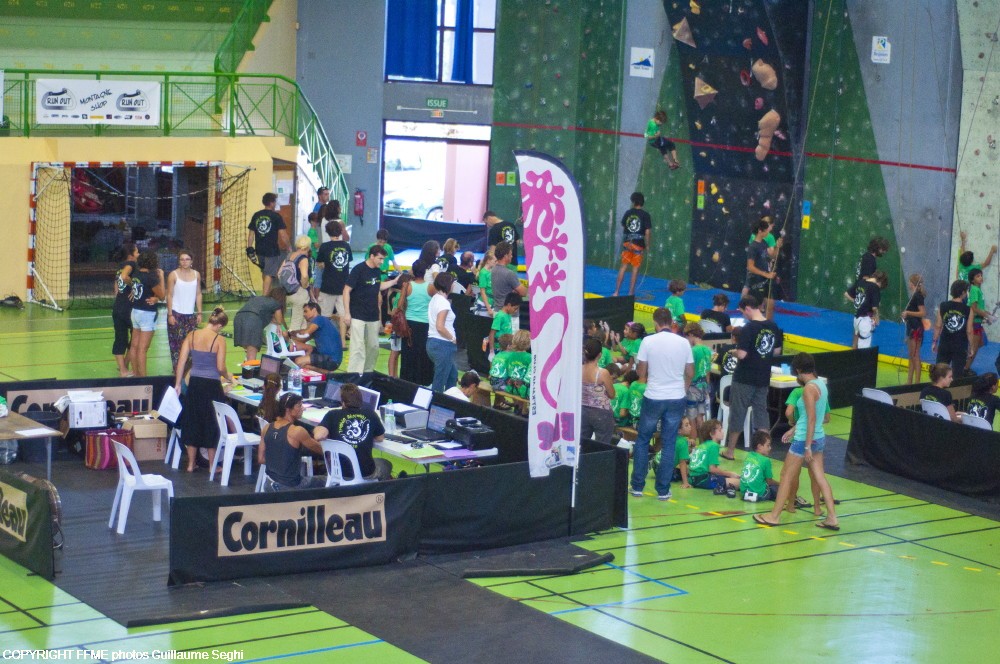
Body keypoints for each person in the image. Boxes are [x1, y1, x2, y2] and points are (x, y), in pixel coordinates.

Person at [754, 353, 839, 530]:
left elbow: (811, 419)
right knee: (820, 477)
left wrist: (807, 446)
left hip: (804, 440)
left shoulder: (808, 389)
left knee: (786, 475)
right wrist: (793, 429)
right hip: (819, 437)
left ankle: (774, 516)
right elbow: (814, 417)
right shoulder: (821, 385)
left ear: (799, 370)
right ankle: (832, 517)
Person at [629, 307, 694, 500]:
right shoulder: (683, 342)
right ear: (672, 322)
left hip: (654, 396)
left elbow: (641, 373)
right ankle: (663, 490)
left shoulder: (648, 341)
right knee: (669, 442)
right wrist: (683, 389)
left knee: (643, 440)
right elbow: (690, 372)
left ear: (655, 322)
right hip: (676, 397)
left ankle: (637, 486)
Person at [174, 307, 233, 473]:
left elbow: (181, 362)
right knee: (211, 423)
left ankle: (191, 464)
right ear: (219, 325)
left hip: (195, 384)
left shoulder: (192, 335)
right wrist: (228, 376)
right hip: (211, 385)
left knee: (193, 421)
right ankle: (212, 465)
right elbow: (220, 367)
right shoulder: (219, 340)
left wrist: (177, 384)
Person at [725, 295, 782, 460]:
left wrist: (734, 352)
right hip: (763, 377)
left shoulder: (748, 328)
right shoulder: (773, 325)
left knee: (738, 412)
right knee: (761, 413)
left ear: (748, 308)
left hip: (744, 377)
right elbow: (776, 351)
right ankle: (764, 451)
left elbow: (742, 354)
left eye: (743, 312)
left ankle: (730, 451)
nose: (743, 315)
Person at [314, 383, 393, 481]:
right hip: (365, 472)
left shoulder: (332, 415)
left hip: (338, 471)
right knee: (386, 464)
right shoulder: (370, 414)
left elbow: (318, 436)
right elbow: (380, 438)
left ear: (343, 402)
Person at [343, 245, 400, 373]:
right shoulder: (358, 269)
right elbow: (346, 290)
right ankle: (354, 374)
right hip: (358, 314)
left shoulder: (377, 270)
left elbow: (377, 285)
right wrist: (347, 313)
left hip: (372, 315)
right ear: (372, 256)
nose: (382, 262)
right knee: (357, 347)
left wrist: (394, 282)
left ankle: (367, 372)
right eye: (380, 259)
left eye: (383, 259)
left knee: (373, 347)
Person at [258, 393, 326, 492]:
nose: (303, 408)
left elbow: (261, 459)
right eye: (299, 405)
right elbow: (323, 450)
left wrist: (279, 463)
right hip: (289, 487)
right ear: (288, 409)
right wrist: (318, 431)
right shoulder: (297, 431)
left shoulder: (266, 428)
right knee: (327, 481)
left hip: (268, 485)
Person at [398, 259, 435, 386]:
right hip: (425, 324)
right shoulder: (430, 287)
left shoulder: (408, 286)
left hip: (409, 324)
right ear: (425, 272)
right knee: (423, 353)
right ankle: (423, 380)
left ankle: (407, 380)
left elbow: (400, 305)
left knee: (408, 354)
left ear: (413, 272)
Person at [128, 251, 165, 377]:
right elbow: (162, 295)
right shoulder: (151, 277)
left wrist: (155, 298)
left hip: (135, 311)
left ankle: (136, 374)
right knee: (143, 349)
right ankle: (143, 378)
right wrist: (161, 277)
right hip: (147, 314)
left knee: (134, 346)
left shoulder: (136, 274)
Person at [166, 249, 203, 371]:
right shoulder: (173, 275)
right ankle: (177, 370)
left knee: (191, 344)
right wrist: (170, 314)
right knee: (176, 345)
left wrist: (199, 312)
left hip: (190, 315)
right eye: (182, 259)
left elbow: (198, 293)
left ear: (191, 261)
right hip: (176, 314)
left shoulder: (196, 275)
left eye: (187, 259)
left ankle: (188, 370)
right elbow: (169, 295)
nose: (184, 262)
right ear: (179, 261)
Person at [316, 219, 352, 345]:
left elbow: (320, 264)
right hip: (343, 286)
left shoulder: (324, 247)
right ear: (340, 231)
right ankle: (342, 341)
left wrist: (325, 264)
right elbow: (347, 262)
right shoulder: (346, 246)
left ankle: (324, 340)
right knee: (343, 315)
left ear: (327, 232)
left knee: (324, 315)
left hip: (328, 286)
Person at [246, 192, 290, 295]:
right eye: (275, 201)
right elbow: (283, 235)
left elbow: (251, 234)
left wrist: (249, 248)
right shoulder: (276, 216)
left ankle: (267, 293)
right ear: (271, 203)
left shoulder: (256, 215)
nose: (275, 203)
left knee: (265, 272)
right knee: (269, 274)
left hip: (259, 249)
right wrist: (289, 246)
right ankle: (264, 297)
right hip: (271, 250)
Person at [612, 192, 652, 297]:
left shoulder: (628, 212)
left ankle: (616, 292)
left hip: (627, 243)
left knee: (623, 267)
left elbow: (623, 224)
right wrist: (647, 245)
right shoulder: (645, 215)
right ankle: (630, 293)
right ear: (642, 202)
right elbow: (647, 232)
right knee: (635, 269)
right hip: (638, 244)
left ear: (633, 202)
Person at [933, 280, 974, 379]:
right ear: (963, 293)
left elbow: (938, 326)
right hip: (960, 345)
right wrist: (971, 347)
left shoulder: (943, 306)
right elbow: (969, 331)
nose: (966, 294)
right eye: (966, 291)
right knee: (957, 374)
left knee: (940, 372)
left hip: (945, 343)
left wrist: (934, 342)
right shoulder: (968, 310)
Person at [427, 272, 459, 393]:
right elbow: (440, 327)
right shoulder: (443, 303)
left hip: (434, 343)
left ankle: (451, 398)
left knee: (452, 375)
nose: (454, 285)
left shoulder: (435, 298)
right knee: (439, 381)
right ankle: (437, 402)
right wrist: (452, 338)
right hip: (443, 344)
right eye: (453, 283)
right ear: (448, 285)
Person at [580, 337, 616, 445]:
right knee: (602, 446)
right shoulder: (602, 373)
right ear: (599, 355)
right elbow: (612, 394)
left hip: (582, 410)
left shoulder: (578, 369)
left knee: (582, 444)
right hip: (601, 412)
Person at [687, 419, 740, 492]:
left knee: (726, 476)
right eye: (720, 430)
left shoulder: (702, 445)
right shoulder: (713, 446)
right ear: (711, 434)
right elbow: (712, 469)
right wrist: (730, 474)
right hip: (702, 479)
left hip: (691, 478)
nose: (722, 432)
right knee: (739, 483)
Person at [725, 430, 779, 501]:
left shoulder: (749, 455)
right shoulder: (766, 460)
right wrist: (779, 483)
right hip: (758, 494)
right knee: (776, 489)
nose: (770, 448)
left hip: (744, 493)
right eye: (768, 445)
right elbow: (769, 481)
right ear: (759, 446)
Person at [290, 301, 342, 372]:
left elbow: (305, 333)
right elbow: (301, 340)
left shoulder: (319, 319)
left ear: (314, 310)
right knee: (298, 351)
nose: (303, 314)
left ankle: (326, 372)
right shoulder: (317, 325)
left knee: (299, 361)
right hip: (326, 356)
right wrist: (288, 336)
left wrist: (292, 333)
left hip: (331, 359)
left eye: (306, 311)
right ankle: (315, 369)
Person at [112, 242, 139, 377]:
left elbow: (116, 289)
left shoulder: (119, 267)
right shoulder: (131, 264)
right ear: (131, 255)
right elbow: (124, 277)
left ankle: (123, 369)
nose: (138, 254)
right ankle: (125, 367)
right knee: (135, 340)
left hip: (118, 307)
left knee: (120, 339)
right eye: (137, 252)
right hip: (129, 309)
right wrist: (134, 287)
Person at [845, 269, 887, 350]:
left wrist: (857, 301)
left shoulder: (860, 282)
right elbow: (874, 307)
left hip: (856, 318)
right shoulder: (875, 287)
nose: (879, 288)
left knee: (855, 342)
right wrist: (877, 318)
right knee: (864, 349)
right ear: (880, 282)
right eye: (880, 286)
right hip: (865, 321)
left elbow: (846, 294)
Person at [746, 219, 779, 322]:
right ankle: (755, 325)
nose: (768, 232)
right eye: (766, 230)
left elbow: (772, 256)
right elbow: (750, 267)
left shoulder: (764, 243)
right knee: (756, 306)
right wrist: (765, 274)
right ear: (760, 231)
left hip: (765, 279)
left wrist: (777, 246)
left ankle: (768, 325)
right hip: (756, 280)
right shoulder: (753, 247)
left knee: (770, 303)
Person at [491, 241, 527, 328]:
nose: (512, 256)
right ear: (505, 256)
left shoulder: (493, 270)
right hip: (509, 316)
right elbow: (524, 292)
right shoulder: (509, 273)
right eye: (510, 254)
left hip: (497, 311)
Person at [683, 322, 713, 429]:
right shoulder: (707, 350)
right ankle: (702, 439)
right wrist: (707, 389)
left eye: (687, 337)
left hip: (692, 387)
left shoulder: (693, 351)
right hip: (704, 387)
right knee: (700, 418)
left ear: (691, 334)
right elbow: (708, 371)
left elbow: (689, 372)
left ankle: (693, 440)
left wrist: (684, 388)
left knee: (691, 420)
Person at [966, 268, 995, 372]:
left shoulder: (978, 290)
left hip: (978, 321)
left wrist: (987, 314)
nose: (981, 277)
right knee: (973, 348)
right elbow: (974, 308)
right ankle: (965, 368)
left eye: (981, 275)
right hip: (974, 322)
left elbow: (979, 308)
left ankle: (966, 365)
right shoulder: (974, 289)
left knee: (981, 343)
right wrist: (988, 316)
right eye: (978, 276)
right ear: (972, 280)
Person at [284, 235, 313, 332]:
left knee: (303, 321)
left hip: (288, 292)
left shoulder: (289, 256)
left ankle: (302, 340)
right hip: (299, 293)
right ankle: (291, 340)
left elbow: (279, 273)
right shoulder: (303, 258)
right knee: (296, 324)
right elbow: (304, 276)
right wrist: (304, 287)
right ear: (308, 247)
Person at [902, 273, 927, 384]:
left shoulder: (917, 296)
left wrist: (908, 312)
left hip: (916, 328)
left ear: (912, 283)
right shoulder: (914, 295)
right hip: (911, 327)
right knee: (911, 355)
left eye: (909, 282)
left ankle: (917, 382)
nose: (908, 283)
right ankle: (909, 381)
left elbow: (922, 313)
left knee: (915, 355)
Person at [488, 293, 522, 357]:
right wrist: (491, 351)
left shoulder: (508, 314)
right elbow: (492, 334)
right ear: (509, 305)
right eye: (515, 308)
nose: (516, 311)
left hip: (508, 348)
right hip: (499, 348)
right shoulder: (500, 316)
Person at [306, 212, 323, 301]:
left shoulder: (313, 231)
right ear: (311, 221)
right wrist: (324, 244)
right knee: (313, 276)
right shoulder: (312, 231)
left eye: (317, 221)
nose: (317, 223)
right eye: (315, 221)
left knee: (313, 275)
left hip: (314, 256)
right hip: (313, 256)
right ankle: (312, 296)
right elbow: (316, 245)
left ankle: (312, 295)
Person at [475, 249, 497, 316]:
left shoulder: (491, 271)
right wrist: (489, 309)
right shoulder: (483, 273)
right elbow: (482, 292)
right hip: (485, 304)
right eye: (495, 261)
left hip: (492, 302)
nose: (496, 262)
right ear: (488, 261)